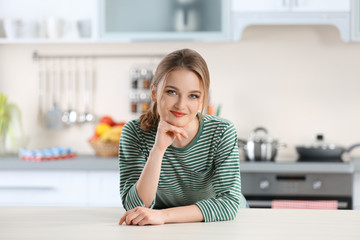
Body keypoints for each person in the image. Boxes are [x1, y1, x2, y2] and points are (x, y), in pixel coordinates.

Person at [118, 48, 247, 226]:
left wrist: (164, 216)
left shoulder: (221, 132)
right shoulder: (134, 133)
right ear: (154, 92)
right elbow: (134, 206)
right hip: (162, 229)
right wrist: (158, 150)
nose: (181, 105)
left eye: (193, 96)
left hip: (218, 225)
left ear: (202, 100)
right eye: (171, 92)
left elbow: (229, 204)